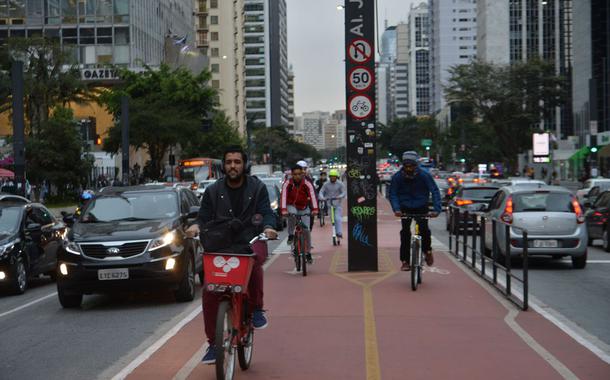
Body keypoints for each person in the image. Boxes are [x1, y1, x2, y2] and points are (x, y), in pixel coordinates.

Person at [185, 146, 278, 365]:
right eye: (229, 162)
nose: (233, 166)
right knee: (209, 291)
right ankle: (213, 344)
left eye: (237, 162)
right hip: (221, 244)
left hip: (250, 240)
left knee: (254, 262)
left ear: (244, 164)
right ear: (223, 166)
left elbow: (267, 212)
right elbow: (203, 216)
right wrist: (196, 226)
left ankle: (255, 309)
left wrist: (269, 227)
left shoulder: (257, 188)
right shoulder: (213, 190)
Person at [389, 151, 442, 271]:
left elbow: (434, 191)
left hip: (421, 206)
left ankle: (427, 251)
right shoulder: (397, 177)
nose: (409, 169)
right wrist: (396, 209)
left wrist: (436, 209)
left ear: (416, 165)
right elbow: (392, 194)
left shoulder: (424, 175)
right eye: (406, 166)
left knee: (424, 230)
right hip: (404, 208)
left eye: (411, 166)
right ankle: (405, 261)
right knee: (405, 233)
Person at [281, 165, 319, 263]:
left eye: (299, 174)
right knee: (292, 214)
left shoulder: (307, 183)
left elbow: (313, 196)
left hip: (304, 207)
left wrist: (315, 209)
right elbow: (283, 197)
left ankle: (308, 253)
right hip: (291, 206)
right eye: (295, 174)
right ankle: (290, 235)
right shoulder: (287, 184)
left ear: (302, 174)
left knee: (306, 230)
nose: (297, 176)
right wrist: (284, 210)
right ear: (291, 175)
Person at [318, 169, 346, 239]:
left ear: (337, 177)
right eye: (331, 176)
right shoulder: (326, 184)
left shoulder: (340, 184)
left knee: (337, 218)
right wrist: (323, 198)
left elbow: (344, 192)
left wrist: (339, 196)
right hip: (329, 204)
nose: (332, 178)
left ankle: (339, 232)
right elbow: (321, 192)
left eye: (334, 176)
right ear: (329, 177)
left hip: (337, 204)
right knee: (332, 219)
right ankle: (335, 231)